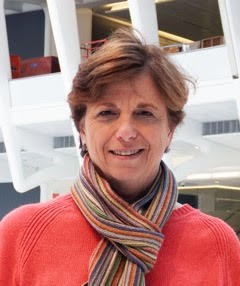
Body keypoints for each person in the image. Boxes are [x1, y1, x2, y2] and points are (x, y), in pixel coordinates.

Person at [0, 28, 239, 286]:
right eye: (107, 113)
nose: (126, 132)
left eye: (145, 113)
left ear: (170, 131)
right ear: (82, 128)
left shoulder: (216, 243)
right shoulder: (22, 234)